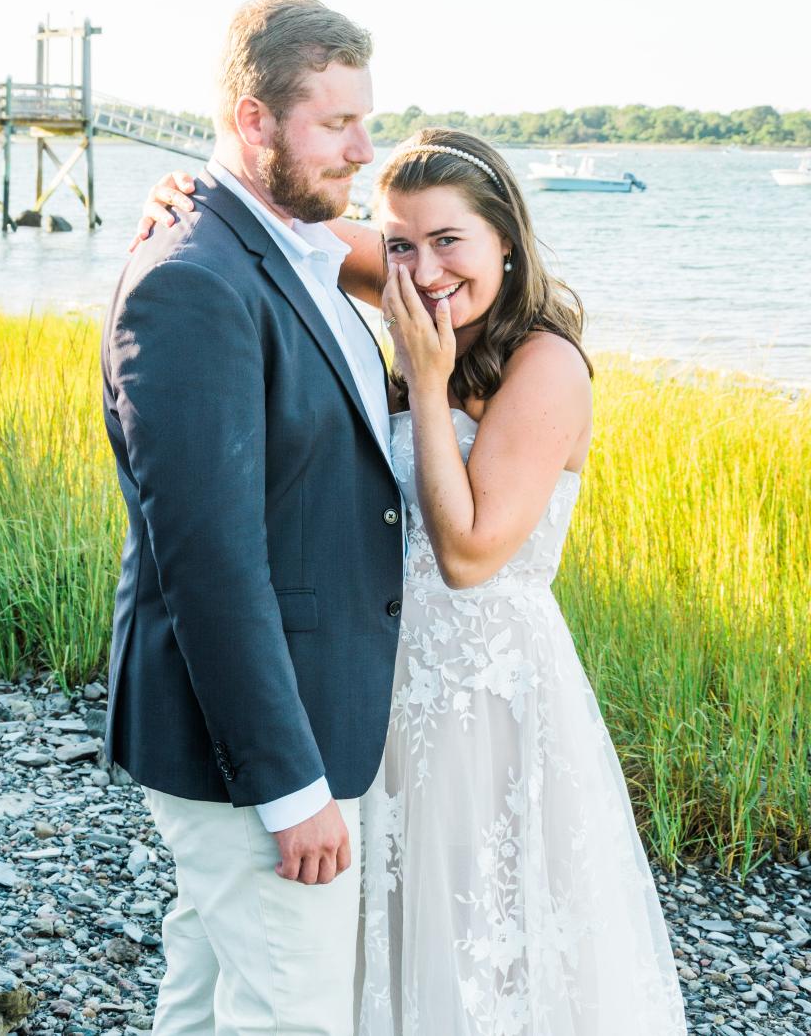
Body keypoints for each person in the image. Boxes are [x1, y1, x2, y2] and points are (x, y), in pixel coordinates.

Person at [137, 131, 689, 1035]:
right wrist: (187, 194)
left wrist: (426, 386)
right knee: (350, 941)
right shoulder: (413, 282)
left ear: (506, 239)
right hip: (381, 688)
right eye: (403, 244)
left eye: (450, 242)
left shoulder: (544, 365)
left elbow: (469, 555)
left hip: (488, 701)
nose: (426, 270)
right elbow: (276, 228)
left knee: (477, 934)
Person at [101, 0, 405, 1036]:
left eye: (367, 118)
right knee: (294, 1015)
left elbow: (471, 260)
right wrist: (288, 787)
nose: (364, 149)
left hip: (294, 721)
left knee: (206, 1002)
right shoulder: (192, 279)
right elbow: (211, 561)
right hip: (248, 755)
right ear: (253, 120)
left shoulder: (301, 248)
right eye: (337, 123)